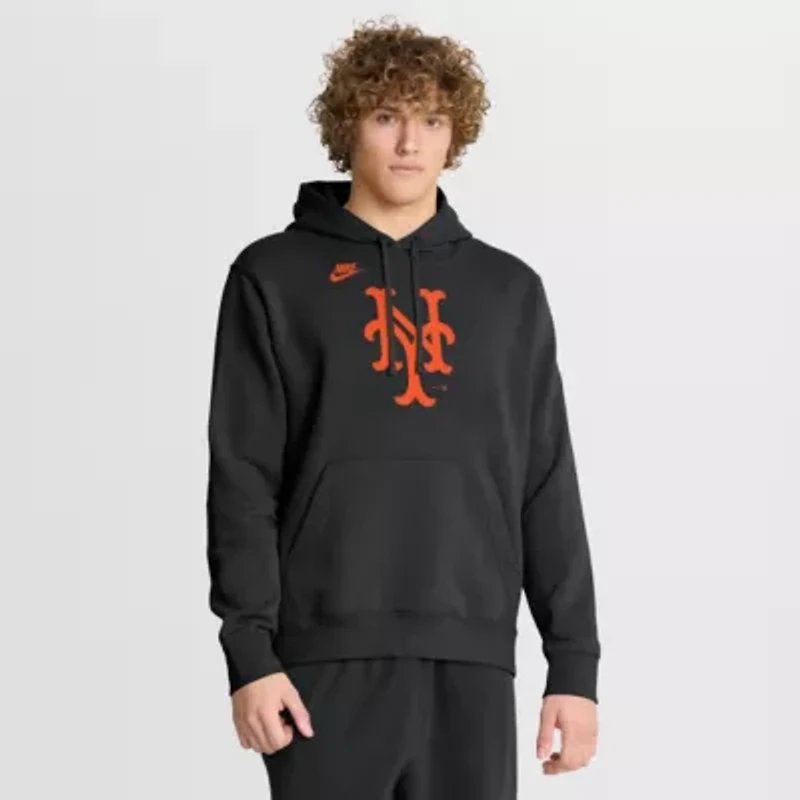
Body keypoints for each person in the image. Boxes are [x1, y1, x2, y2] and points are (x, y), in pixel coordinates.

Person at [205, 17, 601, 799]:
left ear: (457, 135)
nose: (411, 142)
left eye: (433, 120)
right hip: (320, 658)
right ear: (348, 125)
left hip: (473, 656)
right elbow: (243, 478)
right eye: (387, 116)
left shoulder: (509, 292)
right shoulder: (273, 278)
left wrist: (573, 666)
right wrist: (249, 653)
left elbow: (546, 482)